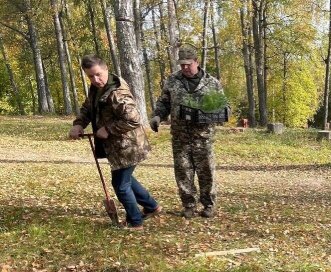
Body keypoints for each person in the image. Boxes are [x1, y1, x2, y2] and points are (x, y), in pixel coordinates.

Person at [69, 54, 161, 231]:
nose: (95, 79)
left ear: (106, 69)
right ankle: (151, 206)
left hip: (129, 146)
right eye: (90, 76)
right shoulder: (97, 88)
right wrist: (79, 124)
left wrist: (108, 129)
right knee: (126, 179)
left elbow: (133, 119)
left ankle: (135, 222)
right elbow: (88, 108)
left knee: (120, 184)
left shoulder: (117, 92)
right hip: (116, 146)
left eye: (98, 74)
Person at [150, 45, 224, 219]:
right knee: (183, 172)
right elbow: (164, 103)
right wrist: (157, 116)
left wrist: (207, 112)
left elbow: (223, 107)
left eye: (188, 64)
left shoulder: (211, 82)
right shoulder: (172, 81)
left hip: (203, 137)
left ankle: (208, 205)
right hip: (180, 136)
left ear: (196, 62)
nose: (184, 68)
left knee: (206, 172)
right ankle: (189, 205)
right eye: (181, 64)